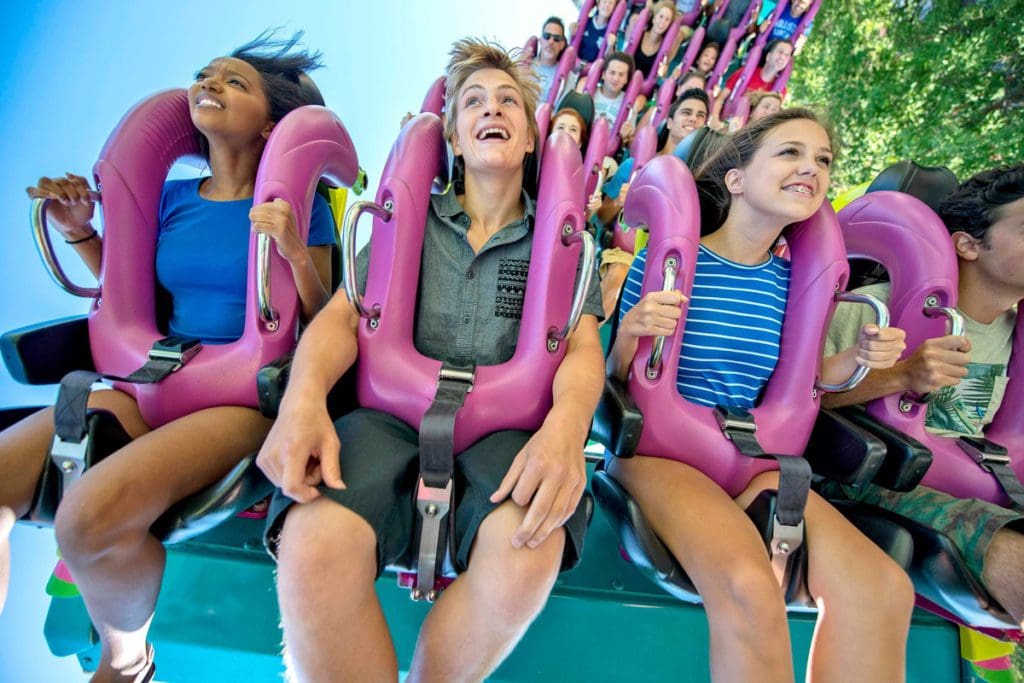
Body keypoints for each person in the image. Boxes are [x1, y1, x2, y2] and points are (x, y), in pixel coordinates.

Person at [256, 38, 605, 682]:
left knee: (528, 550)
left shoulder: (562, 243)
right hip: (387, 419)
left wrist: (565, 431)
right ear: (453, 135)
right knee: (313, 547)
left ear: (529, 137)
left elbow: (582, 349)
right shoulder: (404, 224)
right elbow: (342, 321)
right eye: (473, 101)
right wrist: (303, 400)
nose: (491, 109)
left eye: (507, 100)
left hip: (506, 431)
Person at [0, 31, 336, 682]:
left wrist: (295, 249)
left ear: (270, 123)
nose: (210, 84)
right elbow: (131, 298)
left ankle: (126, 666)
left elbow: (324, 323)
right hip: (144, 385)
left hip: (236, 399)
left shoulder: (300, 208)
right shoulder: (171, 201)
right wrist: (80, 232)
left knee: (86, 520)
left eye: (234, 82)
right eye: (206, 75)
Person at [608, 109, 914, 682]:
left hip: (753, 457)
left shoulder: (794, 284)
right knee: (750, 587)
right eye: (790, 153)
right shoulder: (672, 260)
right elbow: (620, 378)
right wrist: (630, 332)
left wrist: (858, 359)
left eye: (823, 160)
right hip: (661, 456)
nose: (811, 168)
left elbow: (801, 382)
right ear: (737, 179)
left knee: (881, 589)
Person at [822, 163, 1024, 626]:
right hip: (877, 479)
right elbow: (797, 404)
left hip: (982, 481)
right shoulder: (876, 307)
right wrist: (900, 376)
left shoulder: (1016, 335)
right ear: (969, 244)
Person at [597, 89, 710, 318]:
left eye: (700, 115)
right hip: (628, 254)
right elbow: (602, 216)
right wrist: (620, 203)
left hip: (675, 261)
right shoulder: (634, 165)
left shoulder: (702, 179)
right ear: (669, 122)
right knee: (619, 275)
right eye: (686, 112)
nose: (693, 118)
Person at [710, 38, 792, 129]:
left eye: (787, 55)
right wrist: (714, 119)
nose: (783, 57)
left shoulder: (781, 91)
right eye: (780, 52)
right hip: (727, 122)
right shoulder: (744, 74)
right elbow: (720, 98)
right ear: (768, 56)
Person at [633, 1, 679, 83]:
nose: (662, 22)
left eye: (667, 20)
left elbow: (663, 76)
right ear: (654, 19)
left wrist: (664, 72)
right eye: (661, 17)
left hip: (644, 89)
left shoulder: (666, 47)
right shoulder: (639, 35)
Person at [532, 17, 570, 104]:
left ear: (562, 45)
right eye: (547, 36)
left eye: (556, 38)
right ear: (541, 40)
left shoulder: (567, 77)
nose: (551, 42)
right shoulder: (525, 65)